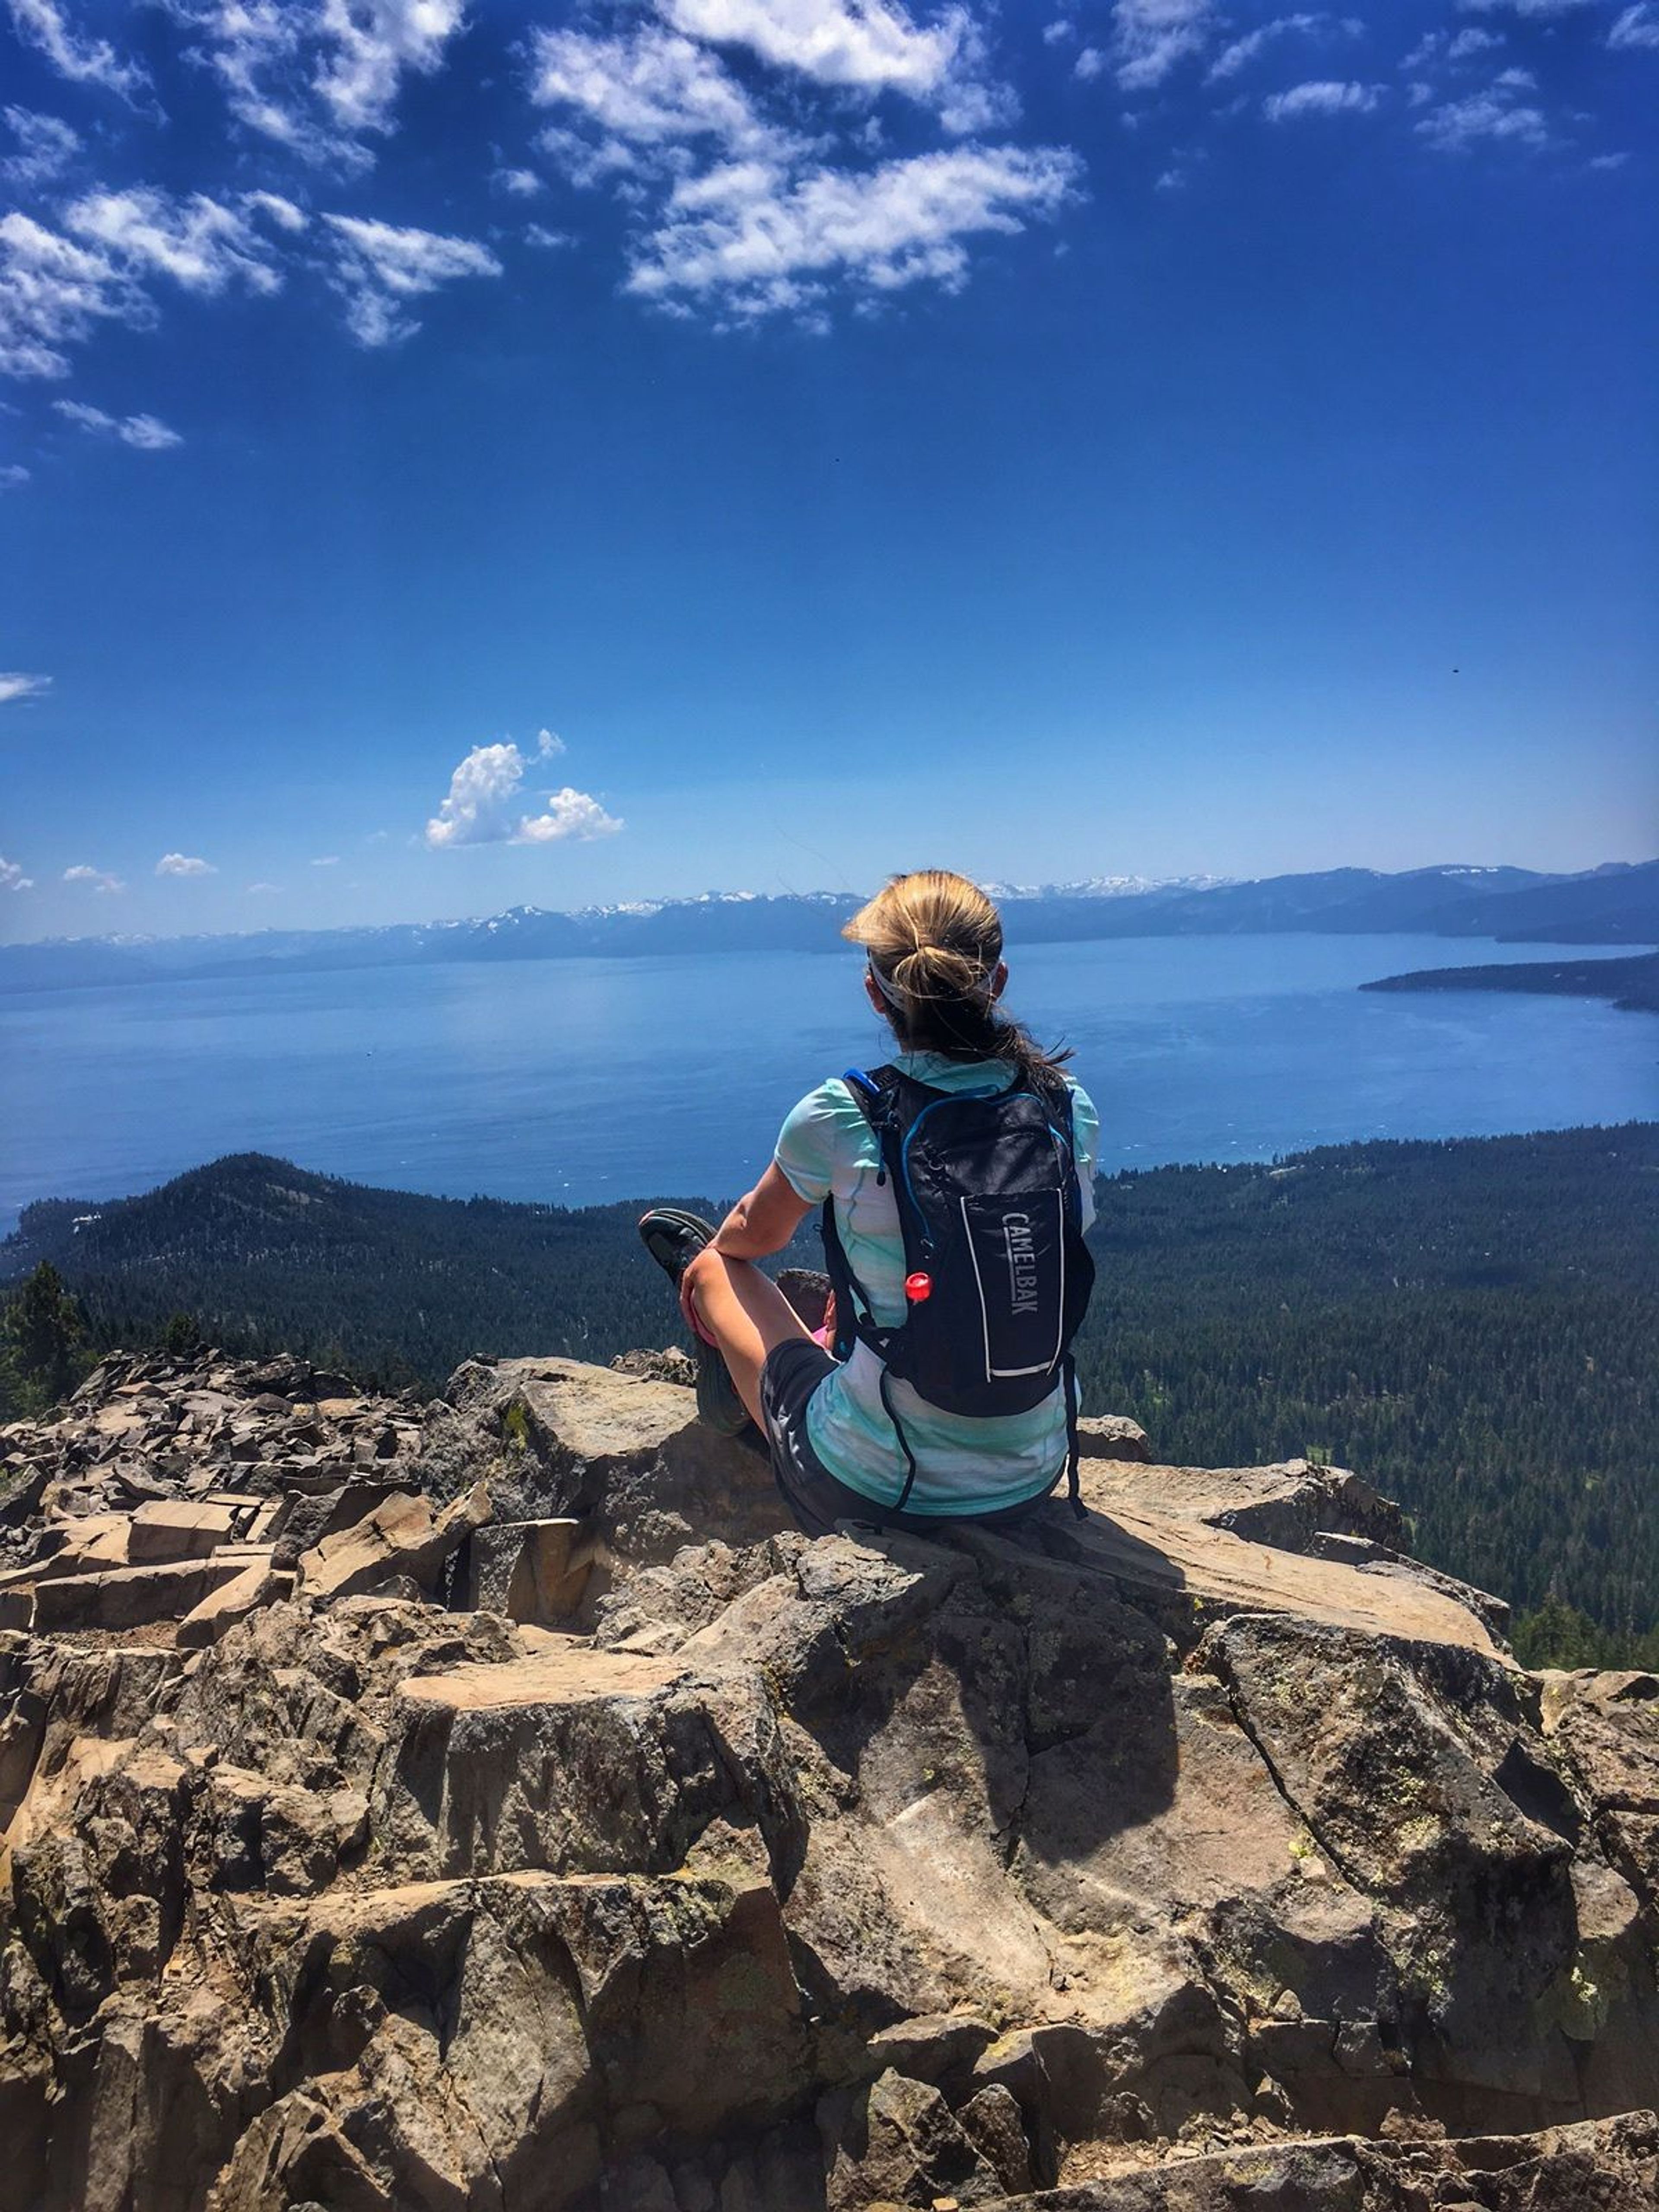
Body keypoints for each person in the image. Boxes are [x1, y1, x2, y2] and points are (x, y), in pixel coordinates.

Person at [639, 869, 1099, 1537]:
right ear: (997, 982)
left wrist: (719, 1254)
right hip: (1033, 1477)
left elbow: (752, 1236)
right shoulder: (1065, 1106)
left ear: (876, 997)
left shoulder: (846, 1113)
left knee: (715, 1268)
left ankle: (736, 1382)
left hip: (872, 1488)